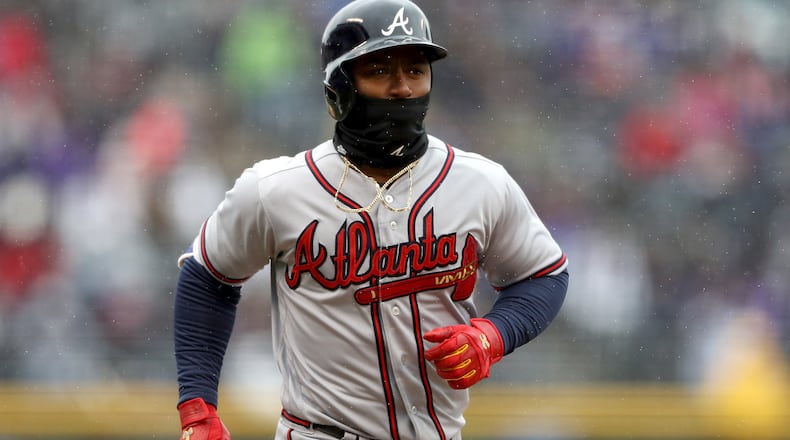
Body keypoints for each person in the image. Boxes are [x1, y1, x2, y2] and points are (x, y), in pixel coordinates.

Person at [173, 0, 570, 439]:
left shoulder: (480, 183)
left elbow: (544, 275)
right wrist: (198, 406)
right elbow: (206, 277)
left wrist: (495, 334)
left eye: (416, 70)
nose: (402, 87)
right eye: (380, 71)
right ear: (337, 89)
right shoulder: (277, 189)